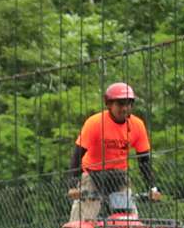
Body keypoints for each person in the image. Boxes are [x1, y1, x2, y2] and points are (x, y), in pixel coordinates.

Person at [69, 81, 163, 216]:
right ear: (109, 104)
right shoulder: (95, 123)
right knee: (83, 220)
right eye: (120, 104)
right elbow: (77, 155)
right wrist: (73, 186)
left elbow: (144, 161)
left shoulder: (137, 125)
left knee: (129, 221)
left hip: (118, 176)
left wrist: (152, 187)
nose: (125, 108)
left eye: (128, 104)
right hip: (92, 174)